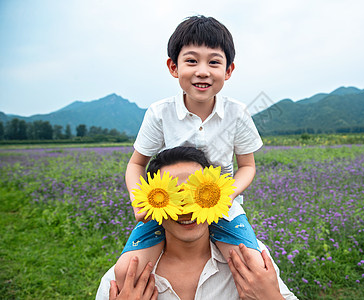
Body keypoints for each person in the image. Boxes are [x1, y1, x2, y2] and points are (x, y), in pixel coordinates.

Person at [115, 15, 265, 289]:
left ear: (229, 70)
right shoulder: (160, 113)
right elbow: (136, 164)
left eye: (214, 62)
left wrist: (227, 195)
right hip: (169, 209)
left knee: (253, 267)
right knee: (126, 270)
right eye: (192, 61)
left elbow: (248, 166)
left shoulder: (237, 113)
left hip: (220, 208)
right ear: (173, 67)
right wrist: (140, 201)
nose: (203, 71)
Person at [96, 147, 298, 300]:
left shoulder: (252, 264)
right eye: (173, 194)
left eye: (197, 192)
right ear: (153, 201)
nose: (186, 207)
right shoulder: (124, 280)